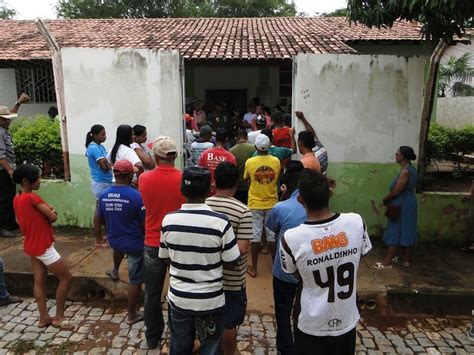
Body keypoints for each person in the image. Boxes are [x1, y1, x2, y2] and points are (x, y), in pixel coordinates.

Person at [280, 169, 372, 355]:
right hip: (346, 319)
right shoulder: (356, 222)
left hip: (310, 322)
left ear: (300, 200)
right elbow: (358, 257)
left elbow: (297, 274)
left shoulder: (291, 238)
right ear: (329, 193)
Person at [159, 166, 240, 355]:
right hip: (210, 300)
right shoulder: (221, 222)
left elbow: (165, 258)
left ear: (182, 190)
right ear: (209, 190)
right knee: (210, 348)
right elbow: (232, 261)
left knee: (179, 346)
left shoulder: (168, 220)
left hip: (179, 298)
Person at [12, 164, 74, 330]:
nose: (40, 181)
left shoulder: (17, 199)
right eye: (37, 178)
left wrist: (46, 214)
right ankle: (59, 317)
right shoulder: (33, 198)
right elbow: (52, 217)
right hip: (43, 245)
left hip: (31, 244)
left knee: (39, 281)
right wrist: (51, 212)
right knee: (66, 278)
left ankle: (43, 317)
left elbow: (30, 218)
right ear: (26, 182)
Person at [138, 136, 186, 349]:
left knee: (152, 293)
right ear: (175, 155)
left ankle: (152, 336)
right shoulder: (185, 179)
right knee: (180, 291)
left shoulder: (144, 179)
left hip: (152, 242)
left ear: (156, 156)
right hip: (178, 243)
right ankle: (180, 335)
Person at [206, 162, 252, 355]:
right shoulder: (243, 211)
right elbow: (242, 249)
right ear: (236, 183)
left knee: (208, 319)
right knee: (229, 323)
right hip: (232, 280)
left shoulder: (204, 205)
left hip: (207, 275)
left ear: (215, 181)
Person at [266, 161, 306, 355]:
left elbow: (273, 228)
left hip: (284, 270)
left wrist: (282, 197)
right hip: (309, 269)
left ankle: (285, 348)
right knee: (304, 309)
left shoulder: (282, 207)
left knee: (283, 312)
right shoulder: (316, 205)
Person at [98, 160, 145, 325]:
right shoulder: (136, 196)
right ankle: (132, 314)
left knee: (118, 249)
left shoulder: (104, 195)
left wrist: (104, 234)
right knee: (135, 280)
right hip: (134, 244)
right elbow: (144, 223)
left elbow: (98, 218)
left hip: (115, 240)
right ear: (130, 175)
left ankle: (115, 270)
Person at [374, 146, 418, 269]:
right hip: (410, 203)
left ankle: (387, 262)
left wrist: (385, 200)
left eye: (397, 154)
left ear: (403, 156)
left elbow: (396, 191)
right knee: (408, 230)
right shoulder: (412, 170)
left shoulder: (405, 171)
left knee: (394, 230)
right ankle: (406, 260)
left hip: (401, 204)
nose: (396, 155)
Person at [244, 134, 281, 277]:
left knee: (255, 236)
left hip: (255, 203)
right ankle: (275, 267)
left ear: (255, 147)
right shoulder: (276, 161)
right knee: (271, 236)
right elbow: (276, 178)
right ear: (269, 145)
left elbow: (247, 179)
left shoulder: (250, 162)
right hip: (272, 202)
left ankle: (253, 268)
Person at [0, 93, 30, 238]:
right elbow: (0, 156)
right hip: (3, 171)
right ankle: (4, 227)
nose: (8, 121)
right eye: (5, 120)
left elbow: (11, 114)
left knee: (9, 197)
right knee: (4, 199)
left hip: (7, 170)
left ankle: (11, 224)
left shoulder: (3, 129)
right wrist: (10, 171)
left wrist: (18, 103)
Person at [85, 124, 113, 248]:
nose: (105, 136)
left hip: (105, 181)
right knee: (99, 212)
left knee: (105, 211)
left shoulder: (100, 147)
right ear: (95, 135)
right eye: (102, 134)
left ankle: (107, 235)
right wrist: (109, 165)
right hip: (100, 183)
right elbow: (104, 165)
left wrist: (108, 164)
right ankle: (98, 239)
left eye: (105, 134)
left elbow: (108, 162)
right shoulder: (94, 148)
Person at [199, 128, 236, 195]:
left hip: (207, 192)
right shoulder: (230, 157)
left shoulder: (204, 154)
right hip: (223, 194)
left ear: (215, 138)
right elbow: (233, 178)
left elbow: (200, 173)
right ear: (226, 139)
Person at [229, 129, 255, 205]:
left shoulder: (231, 151)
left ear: (236, 138)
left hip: (238, 186)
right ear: (247, 137)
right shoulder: (254, 148)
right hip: (251, 185)